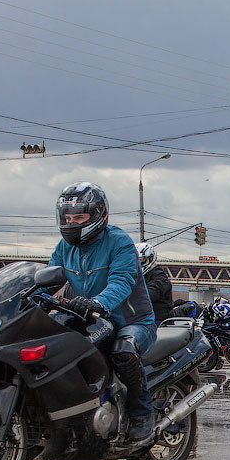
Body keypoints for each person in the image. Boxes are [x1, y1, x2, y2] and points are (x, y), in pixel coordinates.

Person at [49, 182, 158, 444]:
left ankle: (142, 414)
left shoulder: (119, 242)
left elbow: (121, 281)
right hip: (91, 320)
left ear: (99, 215)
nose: (73, 222)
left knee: (123, 351)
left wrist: (98, 302)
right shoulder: (64, 248)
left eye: (80, 217)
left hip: (132, 322)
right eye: (68, 217)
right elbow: (47, 277)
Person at [137, 242, 173, 324]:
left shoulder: (160, 276)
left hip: (157, 319)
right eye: (135, 260)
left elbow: (152, 291)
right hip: (139, 316)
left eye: (141, 260)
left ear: (150, 258)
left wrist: (134, 295)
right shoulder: (136, 275)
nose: (138, 263)